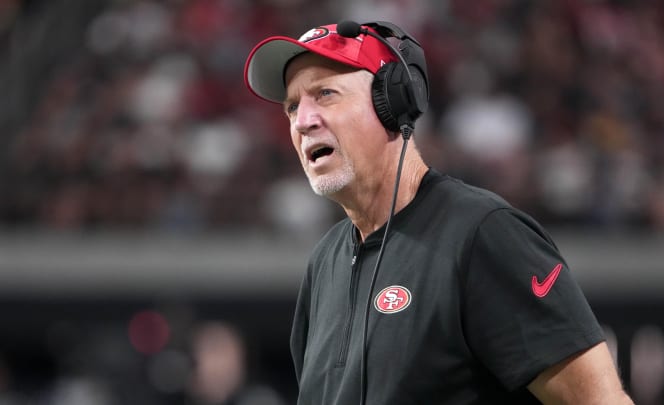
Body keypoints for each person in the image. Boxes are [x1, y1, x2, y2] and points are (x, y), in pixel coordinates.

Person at [244, 20, 634, 404]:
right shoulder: (324, 264)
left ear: (390, 103)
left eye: (325, 94)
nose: (303, 121)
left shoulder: (483, 233)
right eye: (292, 106)